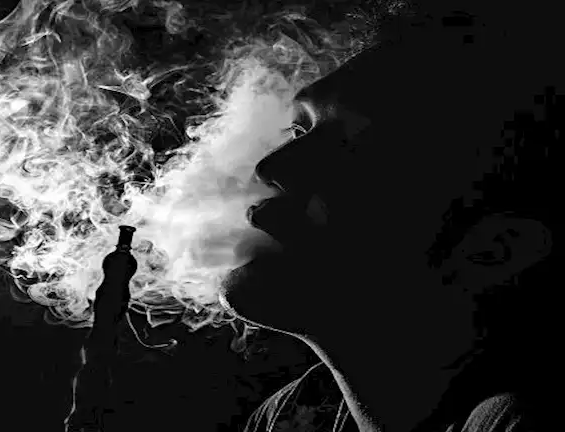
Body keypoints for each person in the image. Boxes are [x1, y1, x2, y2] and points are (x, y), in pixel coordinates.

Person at [220, 2, 558, 432]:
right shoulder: (291, 415)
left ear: (494, 249)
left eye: (352, 149)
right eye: (299, 131)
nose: (272, 167)